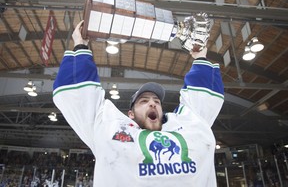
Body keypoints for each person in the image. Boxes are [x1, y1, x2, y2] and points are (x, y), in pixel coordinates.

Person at [53, 20, 224, 187]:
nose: (153, 104)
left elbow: (203, 99)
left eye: (157, 101)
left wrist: (200, 55)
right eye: (144, 101)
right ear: (131, 114)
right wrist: (81, 44)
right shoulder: (110, 129)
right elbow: (80, 96)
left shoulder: (188, 126)